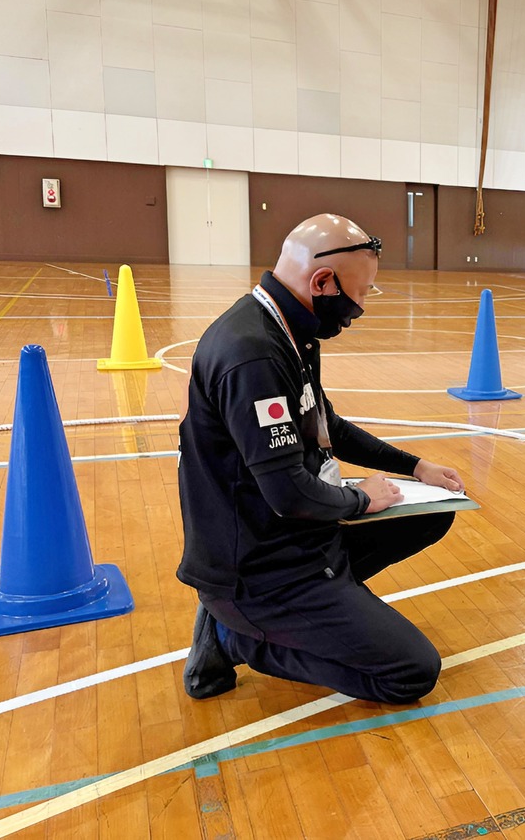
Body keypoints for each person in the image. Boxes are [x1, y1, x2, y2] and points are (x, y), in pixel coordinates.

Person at [177, 213, 465, 703]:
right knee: (412, 673)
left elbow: (325, 425)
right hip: (260, 566)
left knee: (432, 515)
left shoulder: (291, 328)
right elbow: (289, 493)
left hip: (291, 535)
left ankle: (320, 608)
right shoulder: (253, 355)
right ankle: (239, 636)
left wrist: (413, 467)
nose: (362, 307)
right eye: (363, 292)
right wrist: (357, 498)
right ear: (323, 282)